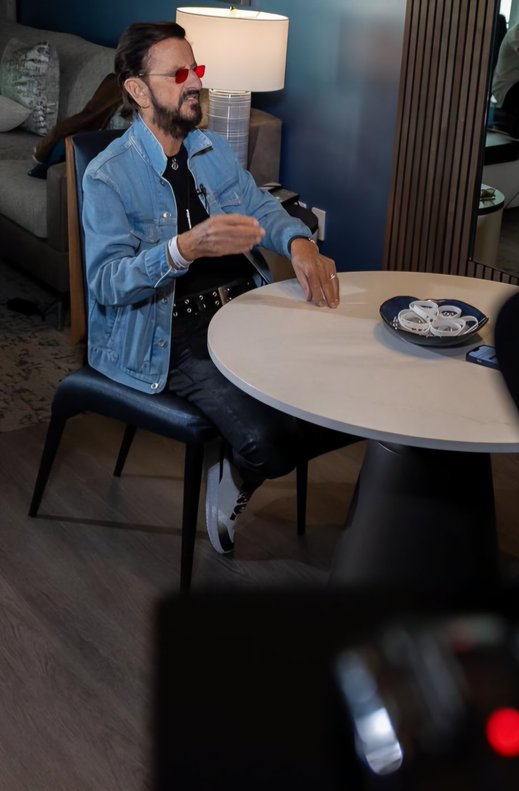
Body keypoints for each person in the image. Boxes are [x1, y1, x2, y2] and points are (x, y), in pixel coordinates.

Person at [82, 22, 345, 555]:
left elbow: (259, 205)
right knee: (267, 444)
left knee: (347, 400)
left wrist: (298, 242)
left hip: (244, 309)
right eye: (179, 73)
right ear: (137, 89)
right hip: (169, 329)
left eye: (195, 69)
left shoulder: (212, 150)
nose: (194, 82)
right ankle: (235, 473)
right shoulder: (107, 176)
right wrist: (183, 248)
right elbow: (106, 283)